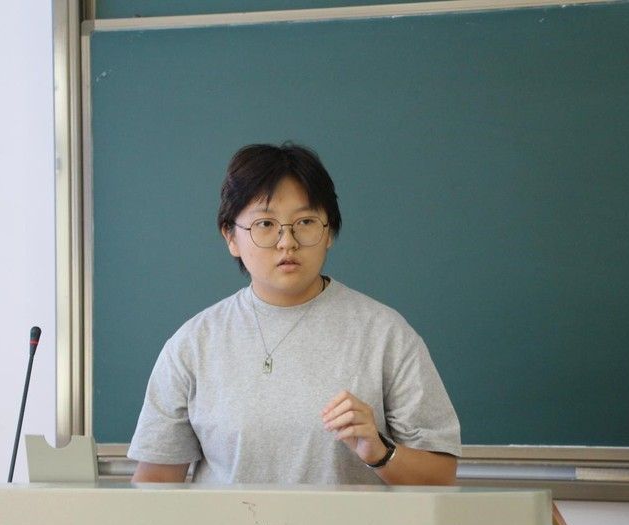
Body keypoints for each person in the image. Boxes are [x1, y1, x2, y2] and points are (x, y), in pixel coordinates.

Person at [128, 143, 460, 485]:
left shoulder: (385, 334)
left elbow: (442, 476)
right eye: (265, 223)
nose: (287, 241)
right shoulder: (193, 344)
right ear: (231, 237)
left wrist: (379, 451)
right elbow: (155, 484)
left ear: (329, 232)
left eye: (305, 222)